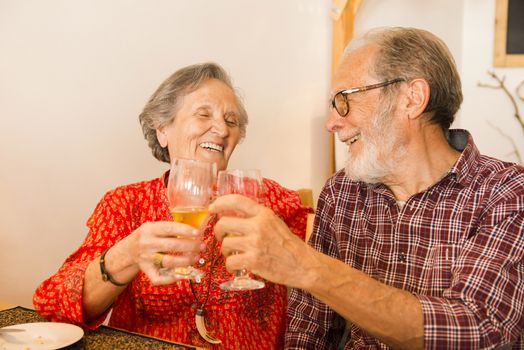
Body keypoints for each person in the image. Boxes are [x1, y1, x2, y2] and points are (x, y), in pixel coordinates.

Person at [210, 27, 524, 349]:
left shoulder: (506, 192)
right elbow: (310, 328)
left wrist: (305, 265)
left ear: (412, 99)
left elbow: (478, 330)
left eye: (344, 99)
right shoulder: (342, 191)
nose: (331, 122)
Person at [33, 62, 309, 349]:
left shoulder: (268, 200)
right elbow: (52, 305)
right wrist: (125, 256)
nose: (221, 129)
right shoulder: (127, 203)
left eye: (231, 121)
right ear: (163, 129)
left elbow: (332, 260)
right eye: (204, 114)